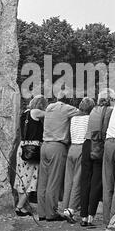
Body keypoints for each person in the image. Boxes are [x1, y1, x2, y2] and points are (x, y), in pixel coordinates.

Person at [37, 89, 79, 222]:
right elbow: (82, 112)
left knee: (43, 181)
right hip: (57, 146)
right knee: (54, 181)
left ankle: (42, 213)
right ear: (68, 99)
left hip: (45, 146)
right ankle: (51, 213)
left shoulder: (49, 107)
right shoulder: (67, 108)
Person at [80, 88, 115, 227]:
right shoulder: (111, 111)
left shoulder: (93, 110)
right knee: (96, 181)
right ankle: (90, 216)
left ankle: (83, 215)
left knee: (85, 181)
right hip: (99, 146)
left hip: (87, 144)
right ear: (111, 100)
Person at [63, 97, 95, 223]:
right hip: (82, 148)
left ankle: (65, 207)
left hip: (72, 148)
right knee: (78, 181)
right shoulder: (88, 119)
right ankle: (71, 209)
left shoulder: (74, 118)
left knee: (68, 180)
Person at [14, 95, 47, 216]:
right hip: (32, 149)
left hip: (22, 147)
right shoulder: (37, 112)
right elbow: (51, 114)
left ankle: (21, 206)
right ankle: (19, 207)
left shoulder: (25, 113)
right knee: (31, 178)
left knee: (21, 177)